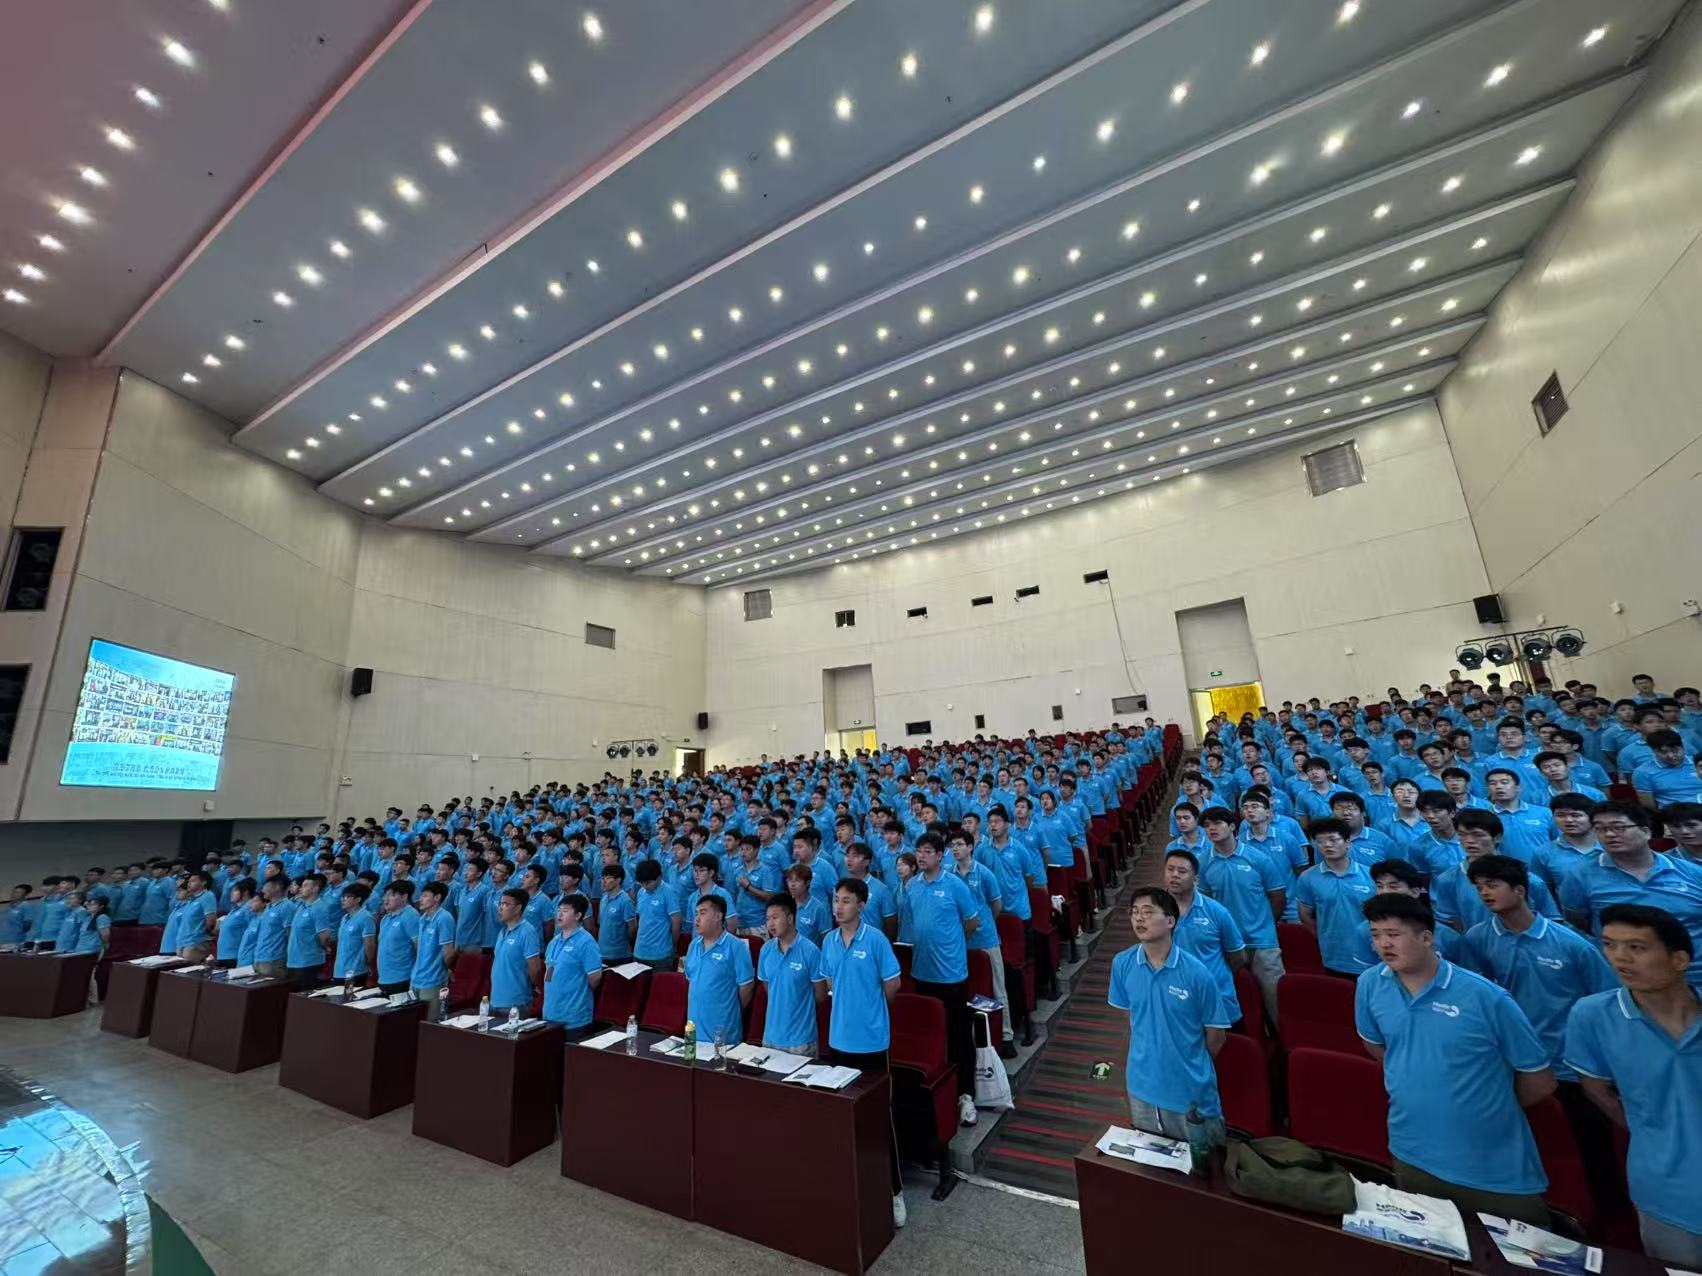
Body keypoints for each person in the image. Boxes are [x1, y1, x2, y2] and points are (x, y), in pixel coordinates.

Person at [1355, 893, 1555, 1225]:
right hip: (1410, 1149)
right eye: (1375, 935)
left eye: (1393, 934)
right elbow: (1377, 1046)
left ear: (1426, 938)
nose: (1383, 944)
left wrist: (1484, 1102)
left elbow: (1540, 1080)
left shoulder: (1487, 997)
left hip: (1490, 1163)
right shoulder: (1369, 984)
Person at [1459, 854, 1621, 1209]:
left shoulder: (1572, 944)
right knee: (1532, 1136)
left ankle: (1609, 1211)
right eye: (1479, 886)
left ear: (1520, 890)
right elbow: (1477, 993)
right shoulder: (1478, 938)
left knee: (1591, 1145)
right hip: (1514, 1058)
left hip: (1571, 1063)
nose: (1484, 893)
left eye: (1493, 885)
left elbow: (1606, 1002)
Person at [1564, 904, 1702, 1266]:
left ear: (1679, 959)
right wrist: (1651, 1130)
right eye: (1610, 945)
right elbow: (1596, 1089)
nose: (1620, 958)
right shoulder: (1591, 1016)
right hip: (1666, 1194)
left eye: (1636, 947)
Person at [1107, 887, 1232, 1145]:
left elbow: (1216, 1038)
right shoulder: (1122, 964)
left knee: (1203, 1163)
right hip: (1141, 1088)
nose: (1139, 918)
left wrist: (1188, 1063)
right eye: (1134, 912)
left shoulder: (1197, 973)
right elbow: (1131, 1021)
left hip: (1189, 1091)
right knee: (1150, 1163)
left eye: (1148, 912)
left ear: (1170, 921)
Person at [819, 878, 905, 1229]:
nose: (838, 907)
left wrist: (871, 1012)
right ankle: (849, 1185)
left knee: (880, 1117)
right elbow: (828, 983)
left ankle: (894, 1191)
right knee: (843, 1115)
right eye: (836, 900)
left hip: (871, 1042)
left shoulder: (876, 940)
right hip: (839, 1040)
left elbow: (893, 983)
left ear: (862, 905)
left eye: (846, 901)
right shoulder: (828, 940)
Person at [1560, 800, 1702, 988]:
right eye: (1600, 829)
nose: (1609, 834)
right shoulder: (1580, 875)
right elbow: (1578, 919)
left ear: (1645, 832)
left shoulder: (1691, 872)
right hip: (1627, 980)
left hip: (1694, 974)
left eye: (1619, 827)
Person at [905, 833, 980, 1125]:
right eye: (919, 851)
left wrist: (954, 946)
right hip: (921, 973)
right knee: (930, 1036)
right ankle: (937, 1093)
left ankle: (966, 1095)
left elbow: (972, 921)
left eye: (927, 851)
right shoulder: (911, 886)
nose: (921, 856)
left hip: (951, 975)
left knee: (959, 1036)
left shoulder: (955, 885)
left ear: (940, 855)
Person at [1196, 807, 1287, 1023]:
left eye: (1217, 823)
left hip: (1263, 942)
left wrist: (1265, 924)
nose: (1211, 829)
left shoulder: (1257, 858)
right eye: (1207, 825)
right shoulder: (1203, 862)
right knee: (1239, 1002)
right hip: (1227, 944)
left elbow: (1277, 896)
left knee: (1276, 1003)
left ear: (1232, 827)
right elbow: (1207, 902)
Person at [948, 828, 1012, 1057]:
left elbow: (996, 905)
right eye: (952, 845)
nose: (955, 849)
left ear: (970, 847)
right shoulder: (949, 875)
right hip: (960, 940)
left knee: (997, 987)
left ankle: (1006, 1035)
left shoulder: (984, 873)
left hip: (985, 938)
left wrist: (984, 924)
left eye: (959, 844)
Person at [1161, 849, 1246, 1021]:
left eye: (1182, 871)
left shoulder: (1216, 911)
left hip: (1216, 999)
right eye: (1170, 869)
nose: (1174, 875)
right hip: (1173, 1001)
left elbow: (1238, 956)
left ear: (1195, 880)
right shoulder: (1155, 912)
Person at [1291, 818, 1377, 977]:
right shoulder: (1307, 878)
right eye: (1320, 841)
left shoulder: (1370, 876)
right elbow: (1306, 916)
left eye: (1333, 839)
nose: (1327, 845)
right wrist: (1325, 937)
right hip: (1334, 957)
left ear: (1348, 843)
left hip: (1371, 955)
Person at [682, 895, 755, 1050]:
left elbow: (747, 987)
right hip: (694, 1033)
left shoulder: (736, 947)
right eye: (696, 913)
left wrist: (731, 1009)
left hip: (723, 1036)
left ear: (718, 916)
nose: (697, 919)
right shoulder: (693, 945)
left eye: (703, 913)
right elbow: (691, 982)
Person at [756, 893, 826, 1056]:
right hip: (770, 1038)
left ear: (790, 918)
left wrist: (801, 1007)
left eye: (775, 917)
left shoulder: (811, 951)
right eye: (767, 919)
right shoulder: (765, 950)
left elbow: (821, 994)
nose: (770, 924)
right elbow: (768, 988)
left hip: (801, 1041)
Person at [542, 894, 603, 1039]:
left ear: (578, 915)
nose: (559, 914)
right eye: (559, 910)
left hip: (575, 1019)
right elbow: (549, 972)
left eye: (565, 911)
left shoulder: (586, 942)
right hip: (550, 1015)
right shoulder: (554, 941)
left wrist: (578, 990)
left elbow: (595, 978)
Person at [489, 888, 543, 1016]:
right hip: (495, 1000)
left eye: (506, 904)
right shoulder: (502, 931)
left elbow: (534, 968)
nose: (500, 908)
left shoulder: (527, 932)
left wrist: (529, 987)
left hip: (516, 1002)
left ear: (518, 908)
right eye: (500, 903)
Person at [410, 880, 458, 1016]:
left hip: (434, 980)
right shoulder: (423, 918)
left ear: (437, 898)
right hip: (416, 978)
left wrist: (445, 969)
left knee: (432, 1021)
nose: (420, 899)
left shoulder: (444, 918)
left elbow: (449, 952)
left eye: (425, 895)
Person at [283, 874, 333, 988]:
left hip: (309, 962)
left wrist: (324, 948)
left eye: (305, 886)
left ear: (315, 889)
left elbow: (324, 935)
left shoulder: (319, 908)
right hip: (293, 961)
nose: (301, 888)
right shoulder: (301, 906)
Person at [632, 859, 681, 972]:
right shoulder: (641, 893)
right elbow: (640, 919)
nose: (645, 886)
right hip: (640, 952)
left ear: (659, 877)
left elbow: (676, 922)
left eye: (648, 883)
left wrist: (672, 944)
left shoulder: (669, 892)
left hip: (661, 955)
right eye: (642, 883)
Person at [375, 881, 420, 994]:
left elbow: (420, 948)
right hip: (384, 979)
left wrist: (416, 976)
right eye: (385, 895)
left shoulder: (411, 915)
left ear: (404, 896)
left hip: (403, 979)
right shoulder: (385, 919)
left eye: (392, 895)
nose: (386, 899)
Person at [332, 883, 376, 985]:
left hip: (356, 971)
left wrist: (368, 964)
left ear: (358, 899)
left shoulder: (366, 917)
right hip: (339, 970)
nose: (343, 899)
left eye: (347, 897)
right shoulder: (344, 918)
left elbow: (369, 945)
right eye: (342, 896)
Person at [211, 878, 257, 967]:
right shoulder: (234, 910)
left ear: (245, 892)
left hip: (236, 955)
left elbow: (252, 932)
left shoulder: (249, 908)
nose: (231, 893)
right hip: (224, 955)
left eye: (235, 890)